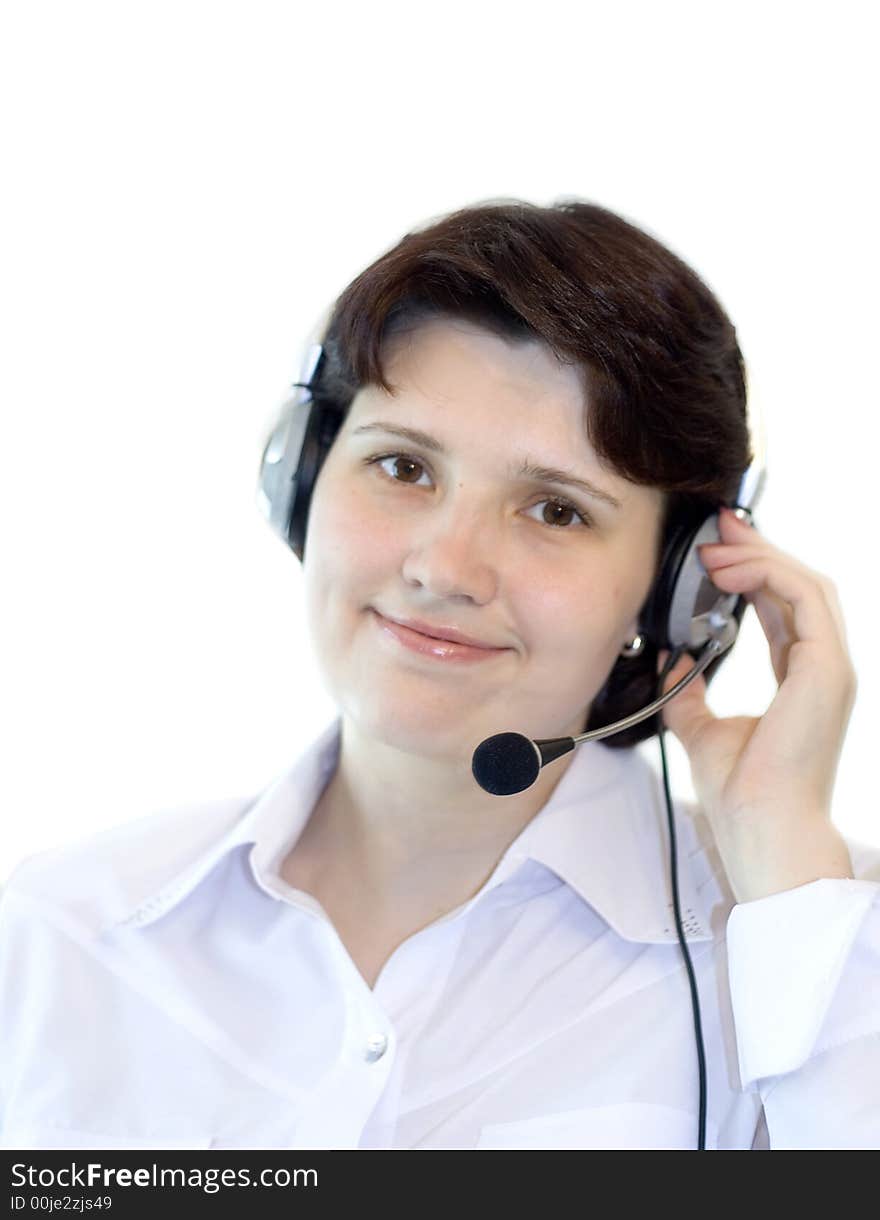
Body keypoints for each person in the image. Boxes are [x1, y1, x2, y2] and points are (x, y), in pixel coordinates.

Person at [1, 198, 878, 1151]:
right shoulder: (63, 934)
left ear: (678, 590)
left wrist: (787, 867)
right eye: (404, 467)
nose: (444, 568)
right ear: (301, 475)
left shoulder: (812, 956)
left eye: (555, 511)